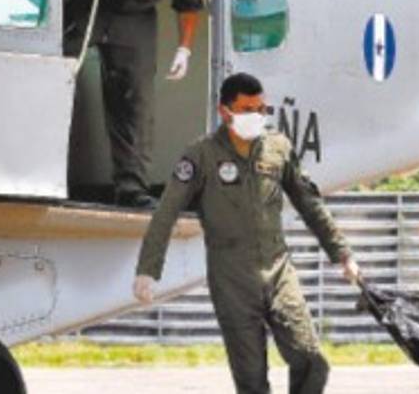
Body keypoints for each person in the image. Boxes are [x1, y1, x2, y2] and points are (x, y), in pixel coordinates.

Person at [133, 73, 359, 394]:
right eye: (247, 109)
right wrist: (148, 269)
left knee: (311, 358)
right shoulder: (201, 156)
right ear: (225, 112)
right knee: (251, 381)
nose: (256, 116)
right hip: (232, 280)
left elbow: (310, 204)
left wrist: (342, 253)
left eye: (261, 109)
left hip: (278, 272)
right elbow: (166, 213)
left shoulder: (278, 148)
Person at [66, 0, 204, 208]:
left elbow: (189, 6)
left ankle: (131, 188)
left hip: (135, 17)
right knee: (55, 76)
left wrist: (184, 49)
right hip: (92, 1)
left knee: (136, 100)